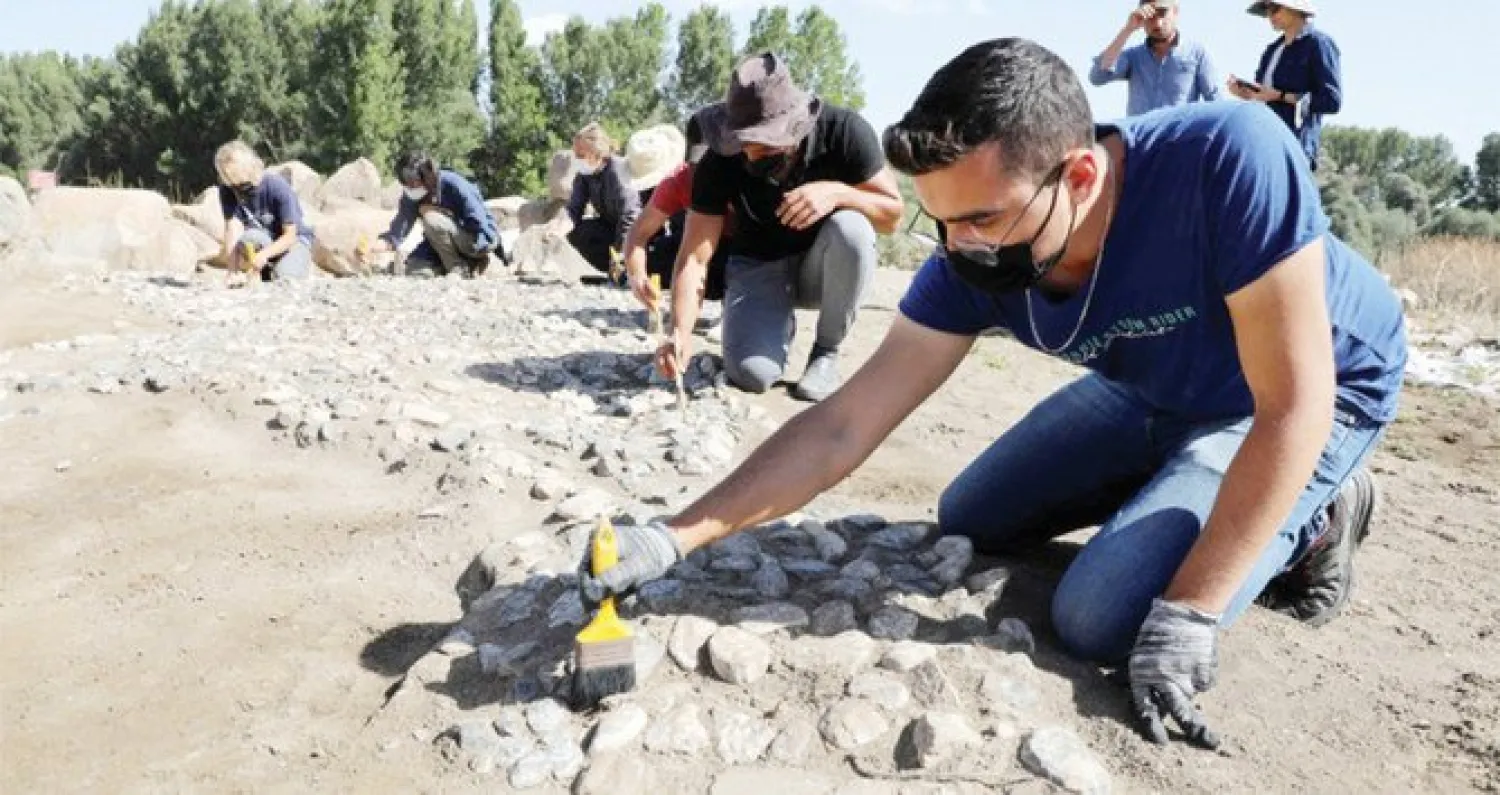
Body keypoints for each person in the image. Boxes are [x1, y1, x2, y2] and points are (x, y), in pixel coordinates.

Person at [576, 38, 1406, 748]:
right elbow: (843, 424)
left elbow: (1294, 402)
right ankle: (1182, 479)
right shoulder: (972, 249)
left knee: (1099, 617)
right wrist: (672, 538)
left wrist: (1190, 608)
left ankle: (1321, 516)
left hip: (1302, 393)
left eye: (980, 219)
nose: (958, 247)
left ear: (1079, 175)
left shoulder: (1228, 157)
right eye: (941, 222)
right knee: (971, 515)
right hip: (1155, 384)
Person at [660, 52, 903, 402]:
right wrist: (679, 332)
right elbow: (694, 258)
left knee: (852, 229)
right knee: (751, 375)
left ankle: (826, 351)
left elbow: (892, 215)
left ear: (795, 127)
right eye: (744, 143)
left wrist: (838, 193)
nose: (750, 155)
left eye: (763, 144)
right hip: (757, 265)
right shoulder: (720, 158)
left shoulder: (844, 131)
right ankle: (771, 324)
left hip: (822, 267)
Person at [620, 104, 732, 318]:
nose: (707, 173)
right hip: (705, 251)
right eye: (699, 166)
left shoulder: (757, 173)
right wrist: (637, 275)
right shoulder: (680, 180)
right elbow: (638, 234)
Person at [1228, 0, 1342, 169]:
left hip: (1295, 148)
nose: (1269, 15)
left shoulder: (1319, 44)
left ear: (1295, 9)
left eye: (1275, 8)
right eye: (1267, 9)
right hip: (1262, 145)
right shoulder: (1272, 50)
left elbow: (1331, 102)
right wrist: (1248, 95)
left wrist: (1281, 96)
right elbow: (1264, 96)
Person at [367, 151, 501, 278]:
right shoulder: (412, 195)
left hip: (477, 238)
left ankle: (458, 268)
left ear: (427, 176)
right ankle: (454, 266)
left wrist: (440, 212)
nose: (410, 187)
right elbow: (399, 228)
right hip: (440, 244)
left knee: (431, 218)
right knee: (416, 270)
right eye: (406, 183)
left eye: (413, 182)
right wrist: (379, 245)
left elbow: (478, 222)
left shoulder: (455, 184)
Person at [1090, 0, 1222, 115]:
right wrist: (1128, 30)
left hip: (1180, 135)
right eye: (1150, 16)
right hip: (1140, 135)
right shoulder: (1133, 57)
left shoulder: (1196, 53)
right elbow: (1098, 76)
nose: (1157, 23)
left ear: (1175, 12)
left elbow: (1215, 102)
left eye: (1162, 14)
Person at [214, 140, 314, 282]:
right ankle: (262, 271)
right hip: (263, 239)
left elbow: (290, 236)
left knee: (284, 278)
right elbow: (232, 230)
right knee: (249, 238)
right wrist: (232, 271)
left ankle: (290, 265)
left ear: (250, 168)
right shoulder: (228, 189)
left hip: (294, 242)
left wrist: (264, 255)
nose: (237, 190)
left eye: (242, 183)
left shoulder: (277, 186)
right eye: (230, 181)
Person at [564, 122, 642, 276]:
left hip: (636, 231)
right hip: (610, 227)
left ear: (597, 153)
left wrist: (619, 254)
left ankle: (624, 268)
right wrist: (560, 226)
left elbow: (630, 216)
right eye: (575, 154)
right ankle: (611, 270)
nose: (577, 159)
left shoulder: (617, 170)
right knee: (579, 232)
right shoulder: (585, 174)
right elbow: (574, 209)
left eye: (580, 155)